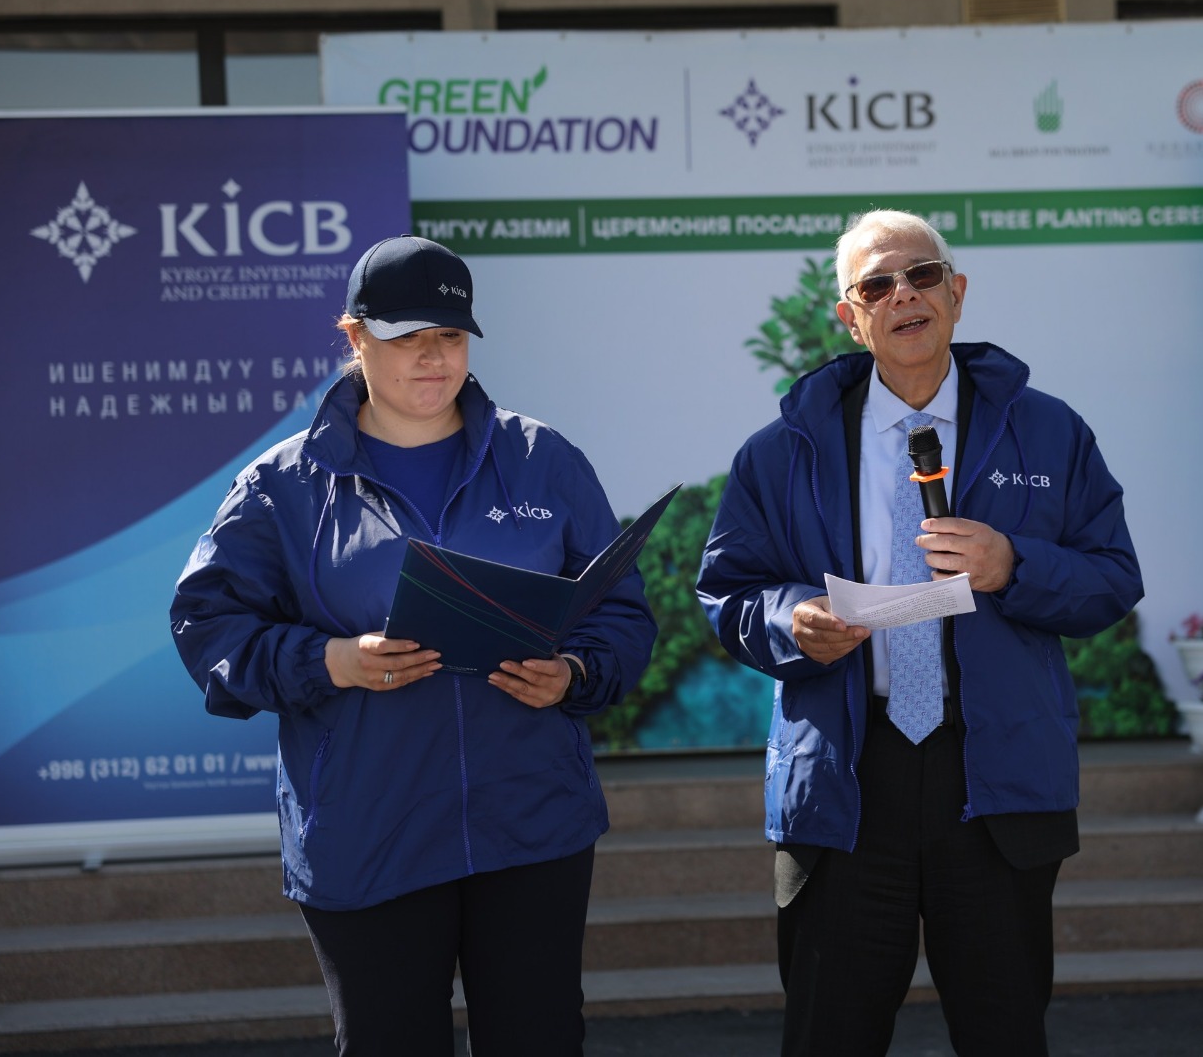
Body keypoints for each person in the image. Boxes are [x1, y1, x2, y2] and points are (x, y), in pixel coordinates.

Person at [170, 235, 656, 1056]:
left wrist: (574, 672)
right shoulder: (284, 485)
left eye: (451, 336)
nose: (433, 358)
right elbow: (208, 628)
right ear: (354, 336)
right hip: (368, 829)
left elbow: (621, 615)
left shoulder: (542, 460)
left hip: (529, 821)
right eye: (407, 338)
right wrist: (329, 662)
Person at [696, 210, 1142, 1056]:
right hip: (846, 779)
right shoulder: (781, 450)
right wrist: (792, 622)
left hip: (995, 776)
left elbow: (1113, 577)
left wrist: (1014, 564)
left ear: (957, 294)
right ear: (850, 317)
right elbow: (729, 592)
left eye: (923, 275)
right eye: (877, 285)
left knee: (1005, 1034)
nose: (904, 295)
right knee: (828, 1035)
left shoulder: (1049, 432)